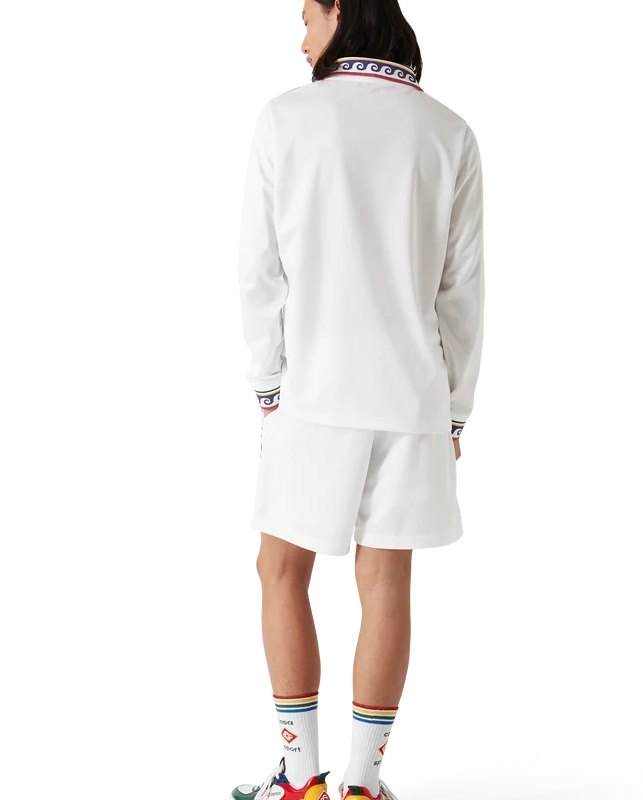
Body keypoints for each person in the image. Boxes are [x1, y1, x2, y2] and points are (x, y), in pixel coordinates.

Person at [234, 1, 484, 797]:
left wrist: (265, 381)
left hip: (313, 386)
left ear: (343, 10)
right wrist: (457, 409)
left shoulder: (287, 119)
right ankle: (367, 784)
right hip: (412, 393)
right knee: (386, 578)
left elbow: (258, 272)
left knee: (281, 567)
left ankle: (301, 778)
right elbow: (463, 292)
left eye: (307, 18)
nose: (302, 37)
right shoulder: (448, 129)